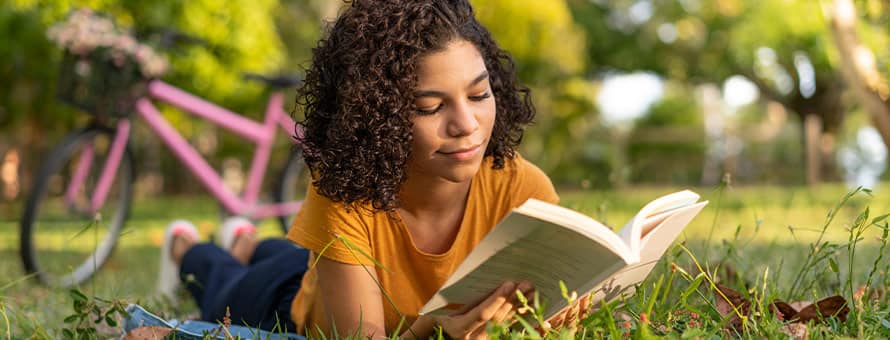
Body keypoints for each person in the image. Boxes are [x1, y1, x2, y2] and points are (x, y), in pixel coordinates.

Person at [158, 0, 578, 338]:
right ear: (377, 114)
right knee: (219, 285)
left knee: (287, 253)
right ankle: (184, 245)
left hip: (329, 264)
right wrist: (435, 331)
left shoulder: (522, 187)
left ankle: (248, 242)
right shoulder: (343, 189)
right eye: (430, 107)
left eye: (479, 94)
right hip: (292, 302)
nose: (466, 125)